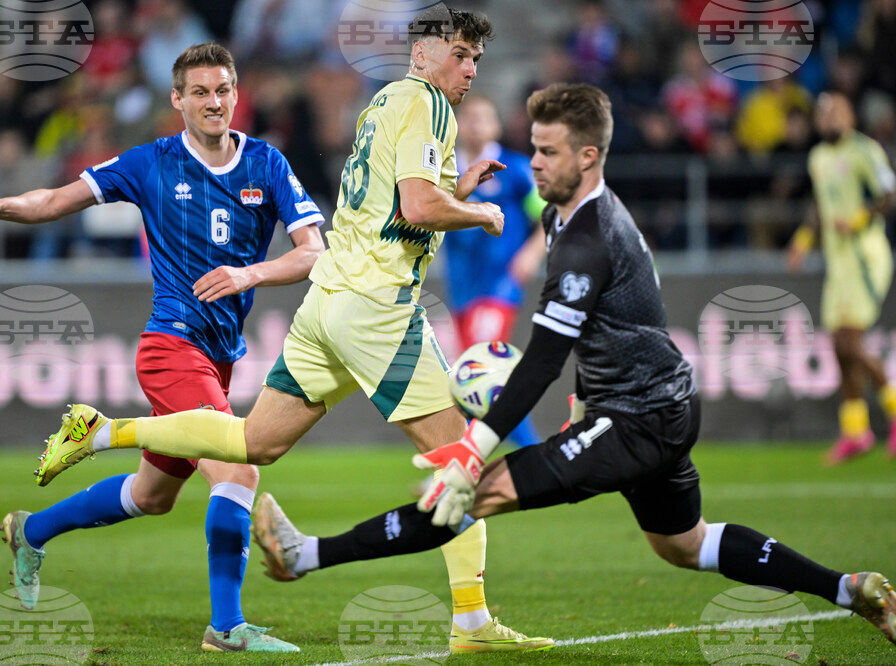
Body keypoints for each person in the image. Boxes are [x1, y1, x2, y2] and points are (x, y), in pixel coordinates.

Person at [245, 83, 896, 649]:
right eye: (533, 146)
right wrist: (589, 399)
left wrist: (472, 450)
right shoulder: (573, 219)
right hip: (656, 404)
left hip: (639, 417)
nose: (534, 162)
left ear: (588, 156)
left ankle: (305, 556)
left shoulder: (587, 241)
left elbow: (541, 364)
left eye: (548, 151)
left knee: (471, 492)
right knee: (684, 543)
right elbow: (617, 326)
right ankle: (849, 588)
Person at [31, 6, 554, 654]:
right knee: (459, 458)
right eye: (459, 53)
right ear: (420, 53)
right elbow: (418, 206)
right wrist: (477, 211)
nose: (470, 68)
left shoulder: (385, 103)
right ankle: (470, 623)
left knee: (252, 444)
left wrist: (456, 186)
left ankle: (104, 431)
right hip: (376, 308)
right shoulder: (429, 107)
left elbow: (393, 207)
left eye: (476, 57)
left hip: (327, 300)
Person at [0, 43, 324, 653]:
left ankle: (32, 530)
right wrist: (2, 207)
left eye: (224, 90)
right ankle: (227, 628)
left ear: (237, 94)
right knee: (237, 468)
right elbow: (56, 199)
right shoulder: (149, 163)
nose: (215, 102)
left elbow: (313, 251)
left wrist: (249, 274)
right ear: (177, 100)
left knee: (150, 497)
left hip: (221, 353)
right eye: (201, 92)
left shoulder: (266, 162)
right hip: (171, 346)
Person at [787, 91, 896, 464]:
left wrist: (861, 218)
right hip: (837, 262)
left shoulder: (865, 151)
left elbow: (890, 195)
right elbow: (820, 204)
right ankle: (856, 431)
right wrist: (803, 239)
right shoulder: (818, 157)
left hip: (865, 256)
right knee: (838, 347)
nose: (830, 119)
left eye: (836, 113)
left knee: (849, 342)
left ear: (850, 117)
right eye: (824, 114)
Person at [443, 94, 545, 447]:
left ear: (496, 126)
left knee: (479, 373)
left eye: (483, 117)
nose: (475, 124)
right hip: (461, 288)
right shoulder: (444, 171)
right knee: (480, 378)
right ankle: (477, 459)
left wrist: (532, 253)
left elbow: (549, 215)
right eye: (468, 117)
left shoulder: (515, 169)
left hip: (499, 286)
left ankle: (470, 459)